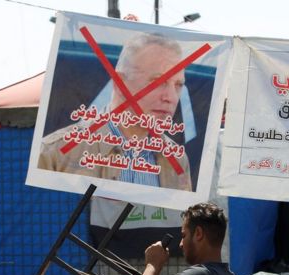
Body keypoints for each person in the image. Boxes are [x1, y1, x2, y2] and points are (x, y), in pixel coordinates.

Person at [37, 32, 192, 191]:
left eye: (178, 85)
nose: (171, 97)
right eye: (158, 82)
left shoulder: (178, 160)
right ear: (119, 84)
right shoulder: (53, 154)